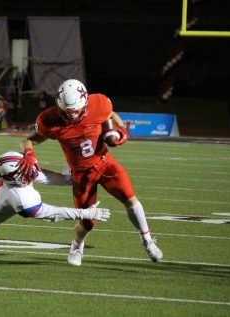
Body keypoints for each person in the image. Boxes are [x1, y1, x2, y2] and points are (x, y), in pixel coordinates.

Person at [18, 79, 163, 266]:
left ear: (85, 102)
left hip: (105, 163)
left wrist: (121, 132)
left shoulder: (98, 103)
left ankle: (147, 241)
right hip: (81, 174)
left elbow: (111, 115)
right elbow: (28, 141)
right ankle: (77, 246)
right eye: (66, 112)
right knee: (87, 222)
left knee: (130, 198)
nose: (71, 116)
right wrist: (29, 154)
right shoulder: (49, 119)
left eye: (75, 111)